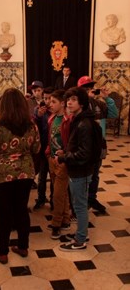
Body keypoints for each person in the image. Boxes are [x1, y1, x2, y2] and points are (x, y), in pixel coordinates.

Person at [0, 88, 41, 264]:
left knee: (4, 214)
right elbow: (36, 149)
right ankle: (23, 246)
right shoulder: (30, 124)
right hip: (25, 173)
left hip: (2, 175)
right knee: (21, 210)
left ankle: (2, 252)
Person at [57, 87, 94, 251]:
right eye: (68, 100)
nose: (69, 103)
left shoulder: (84, 123)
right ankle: (81, 232)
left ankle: (80, 241)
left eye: (73, 100)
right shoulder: (78, 120)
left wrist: (64, 157)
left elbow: (84, 154)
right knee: (78, 203)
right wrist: (65, 152)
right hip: (78, 170)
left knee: (79, 205)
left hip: (81, 171)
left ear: (82, 103)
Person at [77, 76, 118, 213]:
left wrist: (107, 98)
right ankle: (80, 202)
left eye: (91, 88)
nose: (90, 91)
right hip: (83, 146)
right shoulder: (77, 105)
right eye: (86, 89)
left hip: (99, 145)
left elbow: (113, 114)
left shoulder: (99, 104)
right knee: (83, 175)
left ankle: (91, 198)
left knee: (95, 174)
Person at [45, 90, 71, 239]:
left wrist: (65, 153)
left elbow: (72, 141)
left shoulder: (68, 119)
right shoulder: (52, 118)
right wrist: (49, 153)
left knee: (58, 194)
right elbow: (50, 137)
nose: (50, 104)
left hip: (63, 161)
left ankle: (56, 224)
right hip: (52, 159)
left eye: (54, 102)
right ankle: (66, 218)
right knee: (61, 192)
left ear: (62, 103)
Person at [33, 86, 54, 210]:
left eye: (50, 99)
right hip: (42, 148)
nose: (47, 102)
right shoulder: (38, 110)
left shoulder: (57, 111)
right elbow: (35, 129)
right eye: (45, 98)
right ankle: (41, 199)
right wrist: (39, 116)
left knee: (53, 176)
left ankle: (53, 200)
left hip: (53, 149)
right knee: (41, 176)